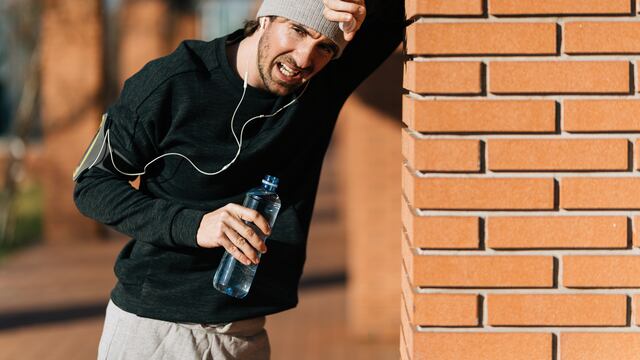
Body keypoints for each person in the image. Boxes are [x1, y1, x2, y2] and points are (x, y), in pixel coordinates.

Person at [73, 0, 405, 358]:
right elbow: (92, 184)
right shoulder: (173, 81)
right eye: (297, 30)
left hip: (244, 332)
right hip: (157, 329)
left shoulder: (319, 85)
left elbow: (393, 14)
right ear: (264, 18)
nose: (304, 58)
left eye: (325, 46)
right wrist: (194, 225)